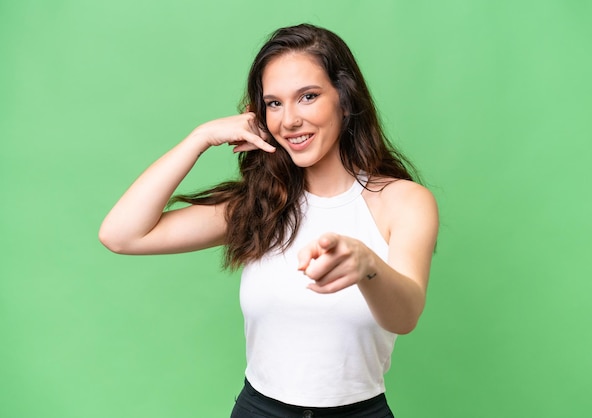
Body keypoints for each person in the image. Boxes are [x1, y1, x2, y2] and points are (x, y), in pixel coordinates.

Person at [99, 23, 438, 418]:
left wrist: (366, 265)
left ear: (344, 101)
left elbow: (406, 316)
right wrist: (200, 137)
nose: (289, 120)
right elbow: (121, 235)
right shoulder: (259, 205)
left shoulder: (403, 202)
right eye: (273, 103)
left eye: (308, 97)